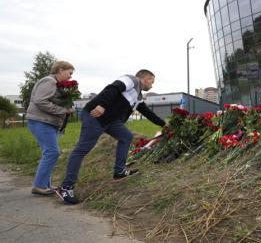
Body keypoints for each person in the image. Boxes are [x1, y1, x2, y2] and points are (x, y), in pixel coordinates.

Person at [56, 69, 166, 204]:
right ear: (145, 78)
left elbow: (147, 113)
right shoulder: (131, 80)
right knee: (82, 149)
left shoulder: (137, 96)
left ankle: (119, 171)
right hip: (96, 116)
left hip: (111, 121)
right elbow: (112, 88)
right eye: (152, 82)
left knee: (126, 137)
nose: (152, 85)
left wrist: (164, 125)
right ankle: (66, 187)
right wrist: (102, 105)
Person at [26, 61, 75, 196]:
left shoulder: (56, 84)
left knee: (50, 152)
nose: (71, 77)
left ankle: (45, 184)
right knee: (52, 152)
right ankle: (39, 186)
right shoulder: (49, 81)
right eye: (69, 73)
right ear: (60, 70)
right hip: (41, 121)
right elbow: (40, 101)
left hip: (47, 122)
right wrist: (62, 110)